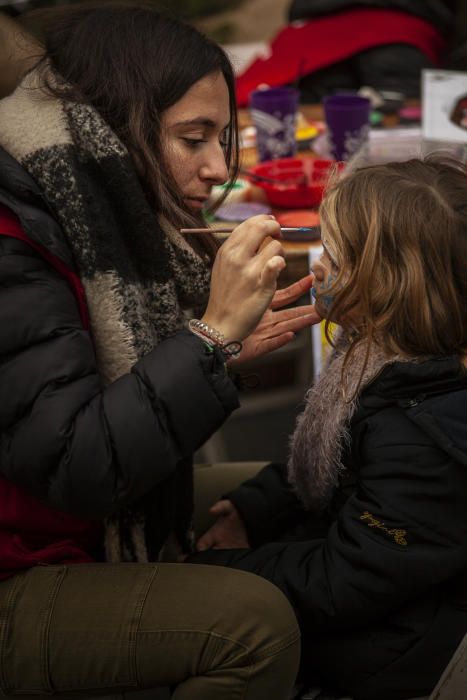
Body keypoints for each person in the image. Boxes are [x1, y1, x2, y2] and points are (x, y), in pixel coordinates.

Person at [0, 3, 323, 698]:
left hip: (66, 524)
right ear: (114, 132)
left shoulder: (85, 213)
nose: (217, 171)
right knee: (253, 627)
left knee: (294, 492)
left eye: (222, 138)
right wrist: (205, 340)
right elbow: (73, 466)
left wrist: (213, 355)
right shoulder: (15, 238)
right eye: (191, 139)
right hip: (21, 559)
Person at [192, 156, 467, 700]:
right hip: (364, 572)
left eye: (336, 256)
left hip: (398, 650)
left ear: (392, 287)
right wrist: (254, 507)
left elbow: (347, 580)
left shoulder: (427, 438)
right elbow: (329, 458)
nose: (316, 265)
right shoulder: (382, 355)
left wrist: (222, 572)